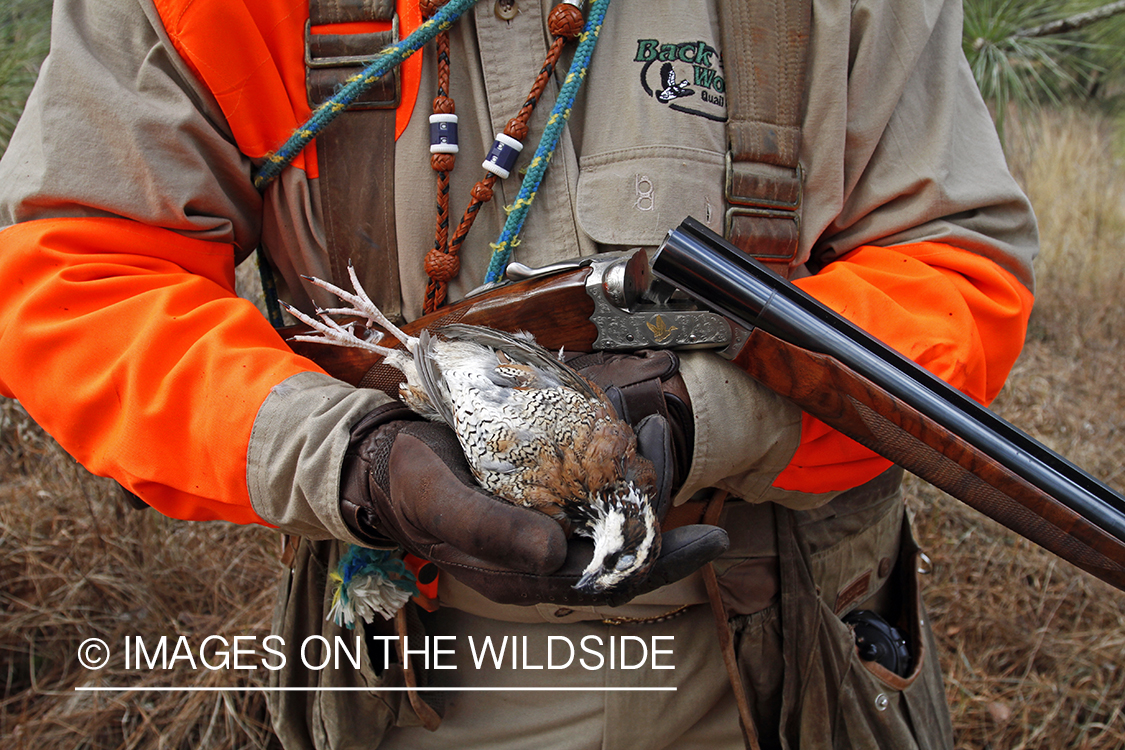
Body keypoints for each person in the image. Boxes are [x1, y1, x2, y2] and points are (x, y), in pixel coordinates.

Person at [0, 0, 1037, 747]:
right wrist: (354, 461)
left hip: (786, 670)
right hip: (410, 675)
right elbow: (80, 276)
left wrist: (707, 408)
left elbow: (956, 267)